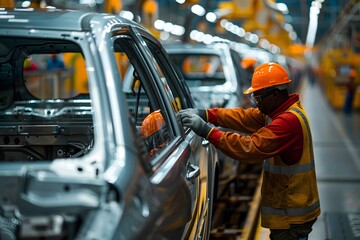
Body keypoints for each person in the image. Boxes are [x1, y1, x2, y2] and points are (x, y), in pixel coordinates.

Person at [177, 62, 320, 240]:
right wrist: (205, 114)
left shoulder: (287, 122)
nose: (256, 104)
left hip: (292, 215)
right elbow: (243, 117)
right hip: (289, 210)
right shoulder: (278, 112)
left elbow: (249, 148)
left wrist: (207, 131)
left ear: (275, 94)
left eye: (258, 98)